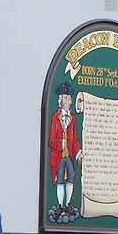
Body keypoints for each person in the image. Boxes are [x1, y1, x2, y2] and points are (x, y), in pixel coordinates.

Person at [47, 82, 81, 223]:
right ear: (61, 100)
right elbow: (51, 141)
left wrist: (78, 153)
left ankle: (68, 205)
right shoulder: (55, 117)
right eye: (65, 98)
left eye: (69, 98)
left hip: (69, 156)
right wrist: (60, 143)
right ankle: (60, 205)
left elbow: (75, 139)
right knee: (60, 179)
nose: (68, 101)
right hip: (59, 156)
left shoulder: (73, 118)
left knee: (71, 177)